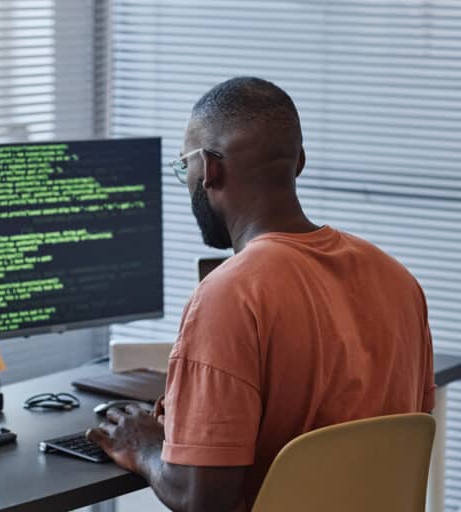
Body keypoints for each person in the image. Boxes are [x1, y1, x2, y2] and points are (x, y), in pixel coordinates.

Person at [87, 77, 435, 512]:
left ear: (210, 169)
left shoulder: (230, 296)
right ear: (299, 163)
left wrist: (144, 445)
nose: (189, 179)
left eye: (185, 167)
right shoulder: (398, 281)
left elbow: (201, 498)